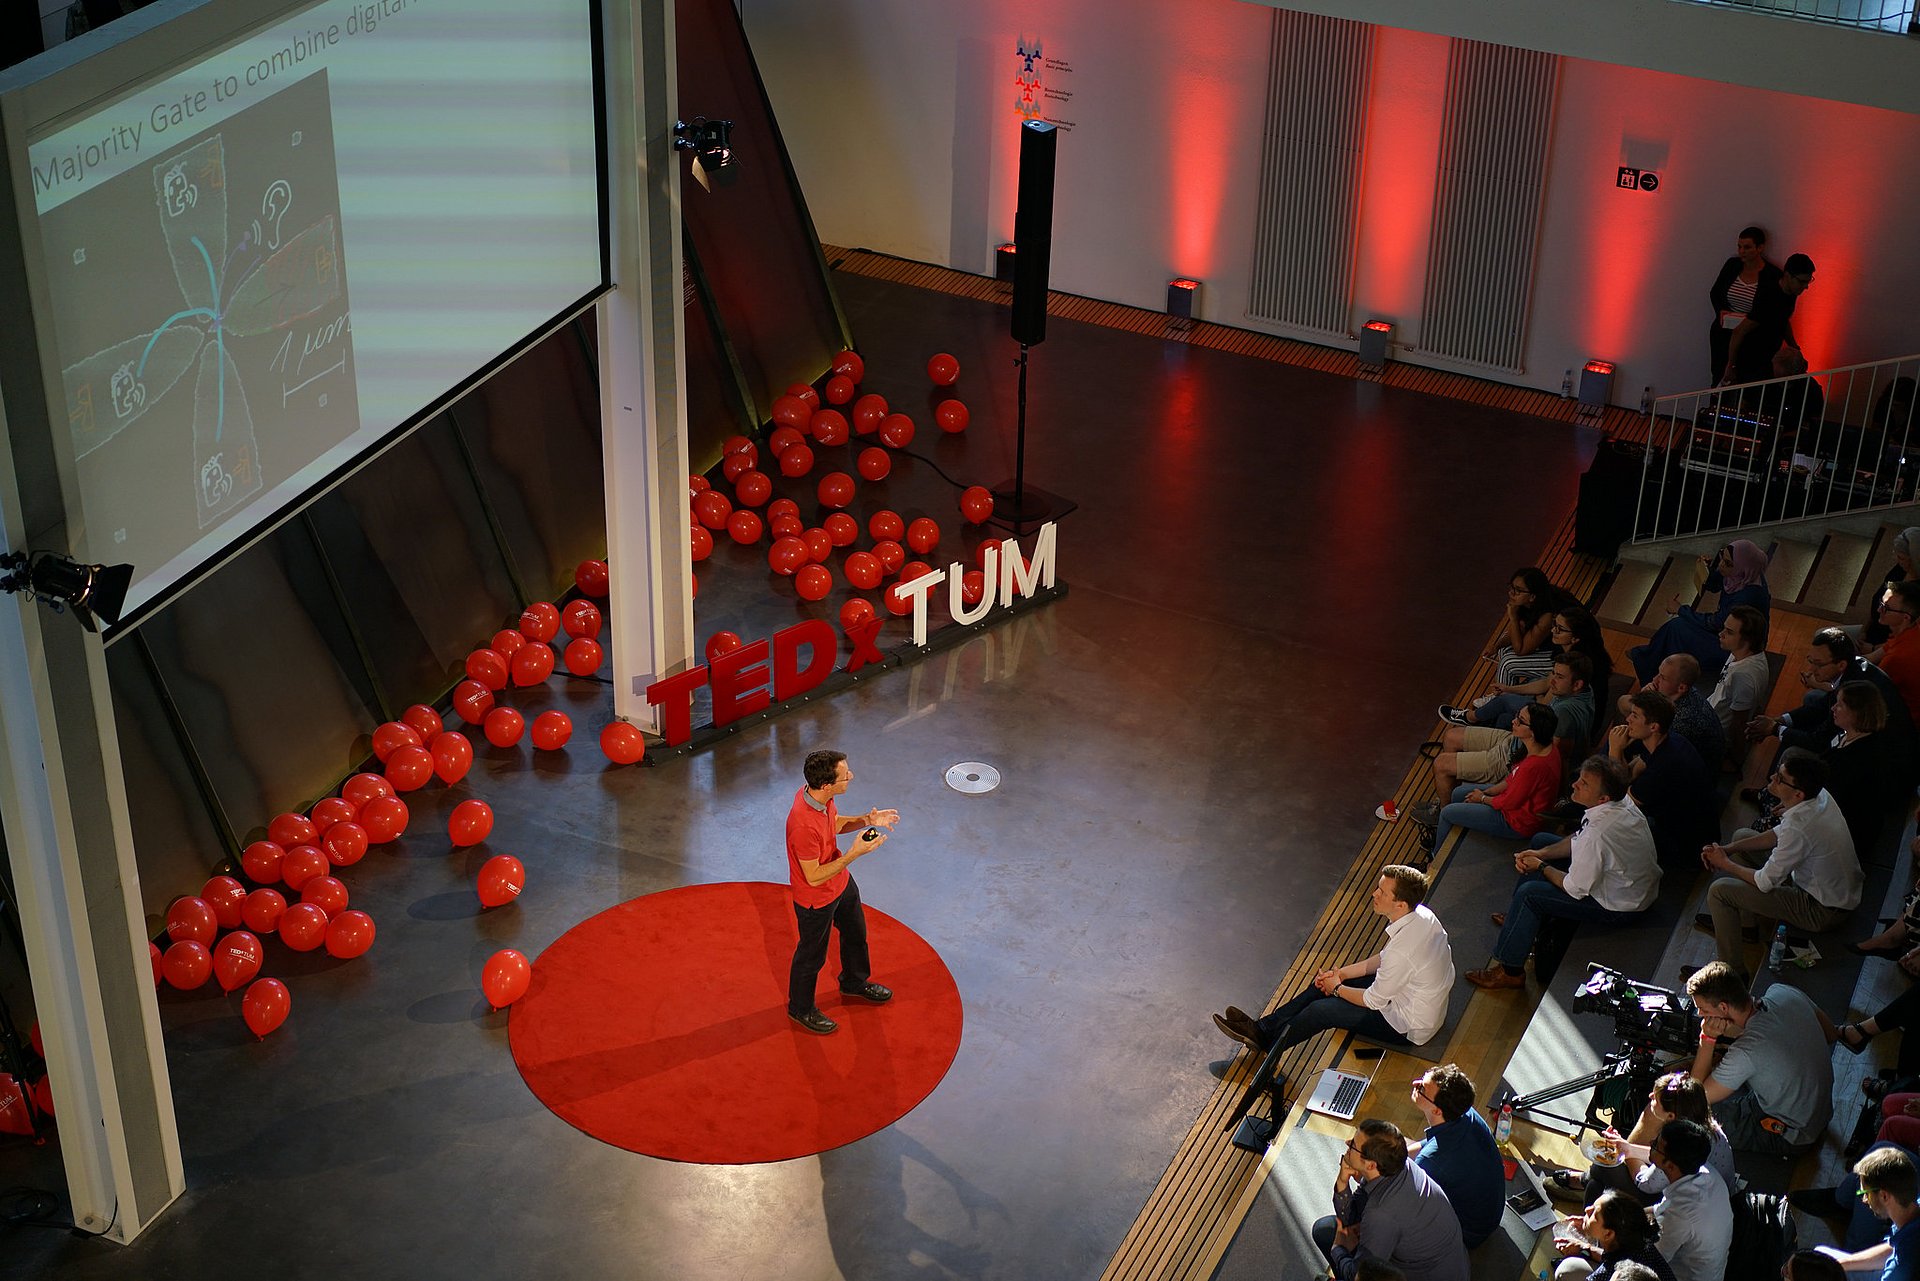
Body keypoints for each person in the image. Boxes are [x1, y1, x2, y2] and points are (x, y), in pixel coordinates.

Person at [1212, 866, 1453, 1067]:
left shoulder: (1404, 950)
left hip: (1407, 1026)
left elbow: (1373, 1000)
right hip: (1406, 997)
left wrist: (1336, 988)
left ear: (1400, 904)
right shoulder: (1421, 915)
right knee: (1323, 985)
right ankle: (1263, 1029)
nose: (1374, 894)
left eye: (1382, 891)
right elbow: (1384, 958)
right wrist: (1340, 974)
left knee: (1322, 1011)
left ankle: (1268, 1046)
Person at [1465, 756, 1660, 990]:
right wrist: (1541, 853)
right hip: (1635, 886)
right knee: (1541, 841)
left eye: (1584, 784)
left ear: (1602, 798)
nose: (1575, 784)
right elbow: (1579, 837)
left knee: (1529, 894)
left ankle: (1510, 971)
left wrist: (1540, 865)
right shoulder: (1621, 803)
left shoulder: (1598, 834)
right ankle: (1519, 922)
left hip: (1620, 907)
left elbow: (1574, 888)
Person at [1698, 747, 1862, 969]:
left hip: (1822, 909)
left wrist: (1724, 863)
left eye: (1780, 779)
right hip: (1836, 890)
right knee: (1742, 837)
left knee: (1719, 891)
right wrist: (1729, 848)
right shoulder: (1819, 796)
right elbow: (1779, 834)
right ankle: (1746, 926)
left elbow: (1764, 883)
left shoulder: (1801, 827)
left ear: (1798, 794)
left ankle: (1731, 974)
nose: (1773, 778)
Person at [784, 749, 900, 1034]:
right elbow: (812, 877)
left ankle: (854, 982)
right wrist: (854, 853)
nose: (851, 776)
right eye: (845, 775)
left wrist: (867, 820)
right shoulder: (801, 825)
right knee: (812, 956)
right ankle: (800, 1008)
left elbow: (832, 823)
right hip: (816, 900)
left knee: (856, 934)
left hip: (841, 883)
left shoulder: (821, 799)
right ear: (827, 785)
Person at [1685, 961, 1835, 1155]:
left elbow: (1695, 1098)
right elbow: (1831, 1034)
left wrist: (1707, 1039)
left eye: (1703, 1010)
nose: (1700, 1015)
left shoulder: (1745, 1051)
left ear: (1723, 1007)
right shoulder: (1783, 992)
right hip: (1821, 1111)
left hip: (1795, 1135)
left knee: (1694, 1117)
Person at [1541, 1071, 1738, 1205]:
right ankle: (1589, 1191)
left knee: (1603, 1167)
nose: (1650, 1096)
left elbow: (1647, 1183)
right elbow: (1659, 1158)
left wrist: (1626, 1154)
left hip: (1687, 1204)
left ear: (1672, 1116)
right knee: (1597, 1184)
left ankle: (1587, 1188)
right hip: (1712, 1193)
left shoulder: (1679, 1145)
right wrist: (1627, 1147)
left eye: (1656, 1099)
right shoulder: (1702, 1124)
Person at [1426, 654, 1594, 806]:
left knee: (1441, 764)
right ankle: (1455, 794)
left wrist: (1559, 795)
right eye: (1553, 673)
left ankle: (1444, 812)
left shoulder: (1565, 712)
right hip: (1516, 739)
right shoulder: (1584, 691)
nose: (1552, 681)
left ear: (1577, 684)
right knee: (1451, 736)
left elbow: (1560, 756)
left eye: (1559, 677)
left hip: (1511, 756)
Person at [1314, 1118, 1470, 1281]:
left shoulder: (1380, 1213)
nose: (1347, 1143)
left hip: (1423, 1274)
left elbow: (1359, 1275)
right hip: (1450, 1264)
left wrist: (1338, 1249)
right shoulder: (1399, 1165)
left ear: (1370, 1165)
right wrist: (1342, 1181)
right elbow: (1352, 1216)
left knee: (1324, 1232)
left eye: (1353, 1145)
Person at [1421, 703, 1561, 857]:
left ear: (1533, 732)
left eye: (1520, 721)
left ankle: (1435, 857)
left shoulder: (1533, 767)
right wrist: (1487, 792)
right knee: (1458, 793)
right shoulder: (1545, 748)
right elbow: (1511, 779)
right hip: (1513, 804)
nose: (1514, 721)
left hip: (1516, 822)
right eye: (1517, 716)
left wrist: (1482, 798)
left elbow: (1509, 803)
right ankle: (1451, 835)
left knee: (1447, 813)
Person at [1628, 540, 1771, 686]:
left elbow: (1715, 623)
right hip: (1727, 632)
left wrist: (1680, 610)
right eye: (1722, 556)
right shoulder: (1743, 573)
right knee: (1677, 628)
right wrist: (1706, 570)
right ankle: (1655, 665)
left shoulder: (1746, 596)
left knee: (1677, 628)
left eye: (1727, 563)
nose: (1721, 564)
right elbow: (1716, 584)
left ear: (1740, 566)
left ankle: (1655, 671)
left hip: (1737, 647)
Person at [1439, 567, 1569, 722]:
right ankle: (1504, 702)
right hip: (1544, 649)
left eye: (1518, 590)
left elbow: (1521, 649)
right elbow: (1517, 632)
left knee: (1509, 663)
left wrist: (1512, 617)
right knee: (1504, 650)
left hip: (1560, 659)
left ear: (1533, 596)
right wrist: (1496, 645)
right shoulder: (1526, 605)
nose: (1511, 593)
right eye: (1512, 588)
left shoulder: (1547, 614)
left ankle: (1494, 707)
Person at [1608, 692, 1715, 868]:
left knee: (1610, 813)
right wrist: (1617, 751)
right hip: (1689, 825)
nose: (1628, 719)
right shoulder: (1669, 740)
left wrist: (1614, 751)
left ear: (1653, 727)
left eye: (1635, 716)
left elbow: (1622, 798)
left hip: (1685, 844)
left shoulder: (1665, 766)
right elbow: (1629, 774)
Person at [1404, 1064, 1505, 1248]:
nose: (1415, 1083)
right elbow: (1437, 1143)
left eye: (1422, 1088)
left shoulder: (1429, 1160)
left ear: (1437, 1111)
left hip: (1469, 1232)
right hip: (1492, 1213)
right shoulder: (1466, 1113)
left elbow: (1412, 1204)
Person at [1821, 681, 1906, 862]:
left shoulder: (1861, 758)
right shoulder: (1850, 736)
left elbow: (1831, 801)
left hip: (1840, 834)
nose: (1833, 708)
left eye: (1840, 705)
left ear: (1857, 713)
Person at [1644, 1120, 1733, 1281]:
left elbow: (1650, 1261)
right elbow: (1662, 1208)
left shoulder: (1680, 1213)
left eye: (1656, 1145)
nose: (1651, 1143)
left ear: (1670, 1166)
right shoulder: (1709, 1174)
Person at [1813, 1146, 1920, 1279]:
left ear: (1884, 1196)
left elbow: (1898, 1252)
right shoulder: (1910, 1212)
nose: (1864, 1200)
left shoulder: (1899, 1269)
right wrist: (1841, 1264)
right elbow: (1891, 1247)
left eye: (1866, 1194)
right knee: (1822, 1257)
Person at [1724, 252, 1814, 386]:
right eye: (1802, 281)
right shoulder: (1768, 299)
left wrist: (1794, 348)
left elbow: (1783, 320)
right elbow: (1739, 332)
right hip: (1751, 359)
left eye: (1808, 281)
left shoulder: (1790, 292)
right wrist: (1731, 366)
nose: (1805, 286)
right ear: (1788, 276)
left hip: (1768, 358)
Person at [1707, 225, 1779, 385]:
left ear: (1760, 248)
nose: (1742, 252)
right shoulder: (1733, 265)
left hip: (1751, 336)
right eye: (1739, 247)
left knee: (1745, 377)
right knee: (1719, 373)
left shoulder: (1771, 275)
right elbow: (1715, 293)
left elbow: (1771, 308)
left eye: (1747, 247)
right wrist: (1722, 312)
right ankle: (1715, 405)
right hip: (1724, 331)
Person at [1551, 1189, 1676, 1280]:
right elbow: (1613, 1257)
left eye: (1594, 1213)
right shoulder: (1639, 1238)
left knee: (1566, 1270)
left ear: (1608, 1233)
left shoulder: (1609, 1275)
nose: (1586, 1210)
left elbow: (1612, 1263)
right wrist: (1584, 1247)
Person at [1636, 653, 1725, 772]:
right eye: (1658, 673)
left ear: (1681, 688)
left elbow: (1652, 755)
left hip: (1692, 775)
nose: (1654, 680)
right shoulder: (1686, 693)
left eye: (1663, 677)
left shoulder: (1682, 720)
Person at [1709, 604, 1771, 748]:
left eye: (1729, 632)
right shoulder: (1739, 653)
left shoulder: (1744, 676)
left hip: (1713, 729)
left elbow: (1739, 722)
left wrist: (1734, 756)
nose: (1721, 633)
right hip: (1709, 709)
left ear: (1747, 639)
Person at [1860, 528, 1920, 663]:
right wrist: (1864, 630)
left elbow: (1907, 636)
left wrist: (1873, 649)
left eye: (1902, 558)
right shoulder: (1900, 570)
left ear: (1916, 559)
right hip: (1870, 632)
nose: (1898, 561)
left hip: (1885, 648)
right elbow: (1878, 598)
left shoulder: (1917, 592)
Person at [1878, 580, 1920, 723]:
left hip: (1902, 720)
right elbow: (1879, 652)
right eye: (1881, 603)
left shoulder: (1896, 659)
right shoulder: (1914, 628)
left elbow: (1868, 693)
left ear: (1905, 617)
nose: (1879, 610)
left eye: (1886, 608)